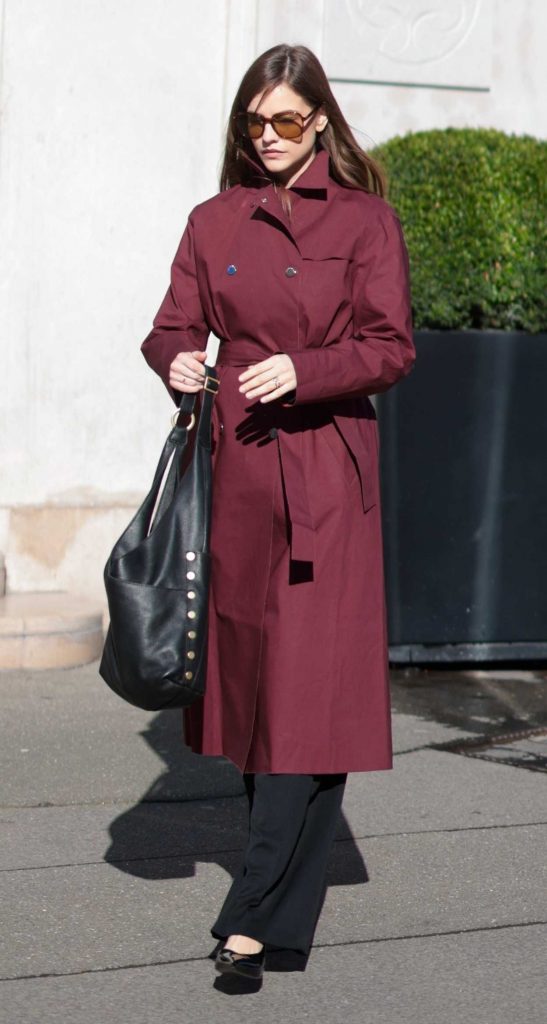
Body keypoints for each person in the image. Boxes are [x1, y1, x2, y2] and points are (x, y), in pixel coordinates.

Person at [141, 43, 415, 982]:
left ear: (321, 124)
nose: (266, 137)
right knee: (262, 696)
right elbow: (173, 321)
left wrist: (307, 370)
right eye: (254, 122)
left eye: (286, 121)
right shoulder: (213, 219)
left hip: (327, 481)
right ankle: (283, 924)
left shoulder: (367, 222)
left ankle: (249, 916)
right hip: (236, 480)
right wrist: (172, 358)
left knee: (305, 698)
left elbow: (389, 347)